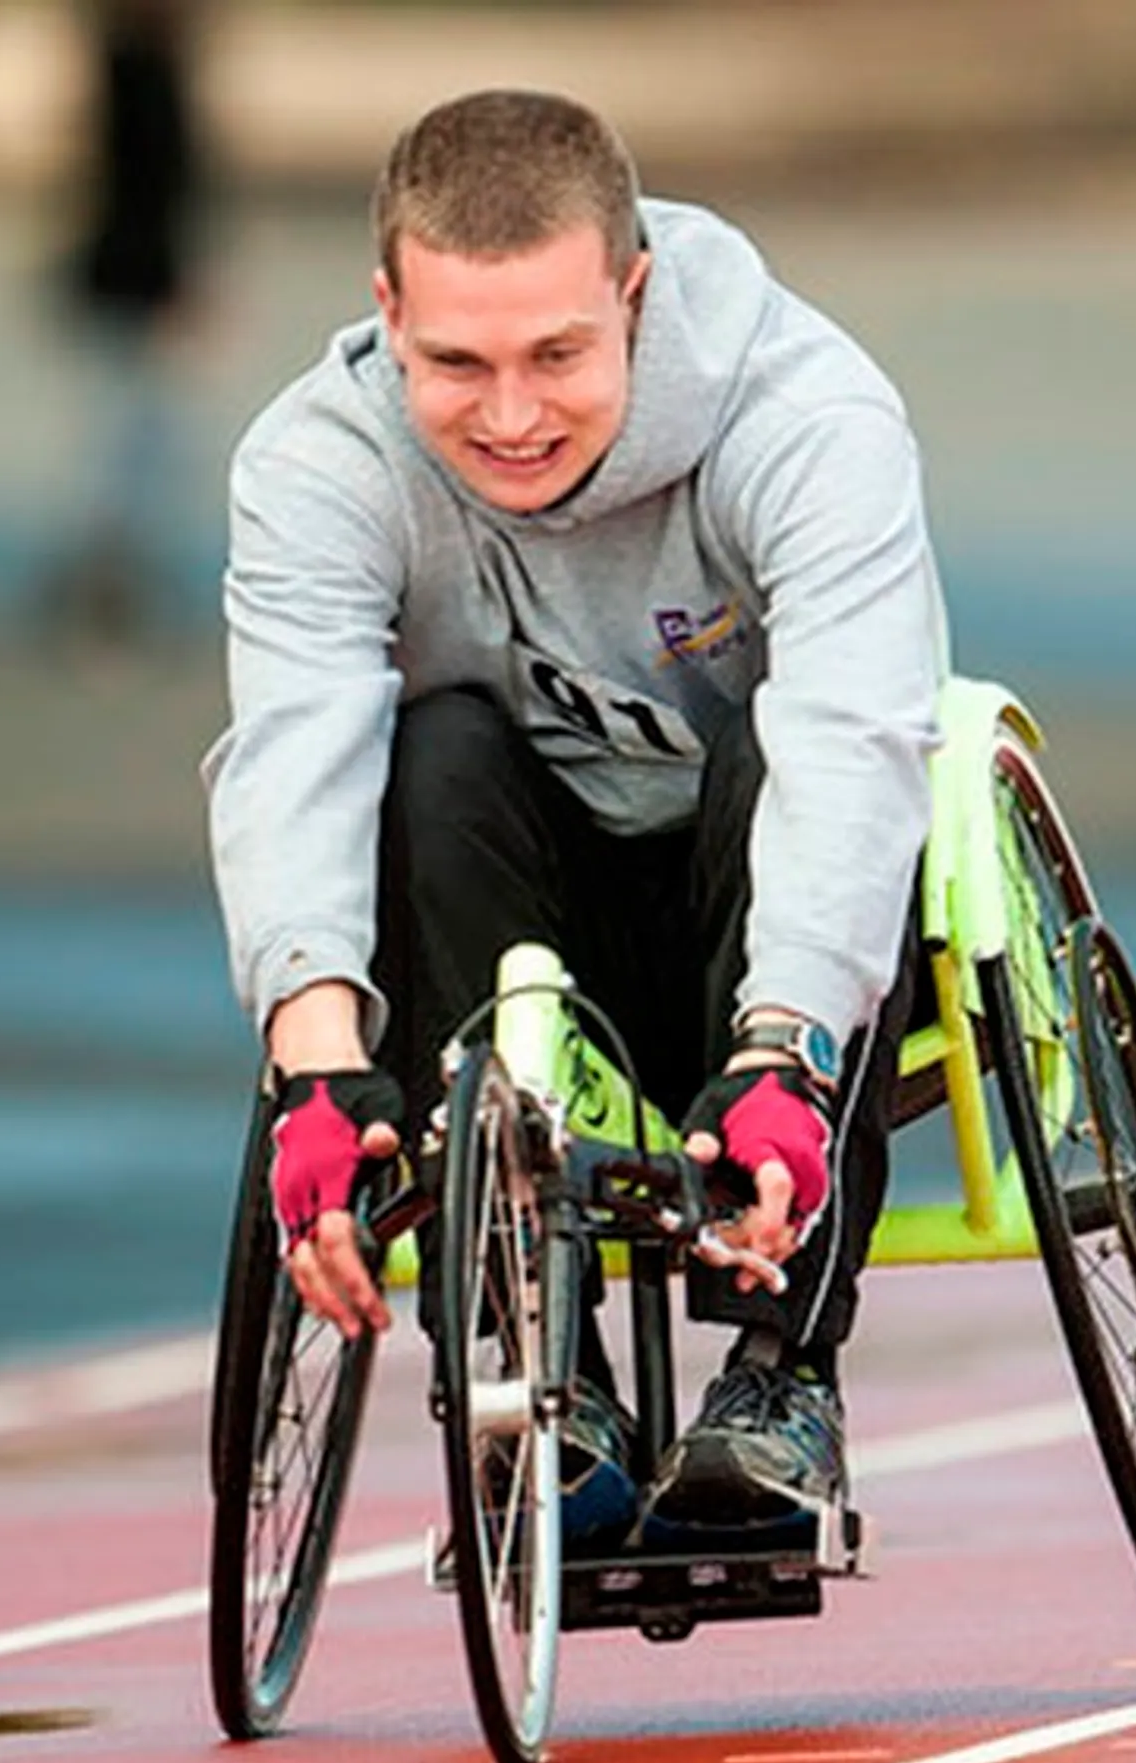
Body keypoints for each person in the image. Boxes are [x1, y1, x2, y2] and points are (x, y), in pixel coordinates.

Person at [204, 90, 944, 1547]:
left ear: (635, 292)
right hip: (521, 935)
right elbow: (293, 752)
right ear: (386, 313)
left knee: (773, 749)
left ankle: (781, 1374)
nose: (512, 415)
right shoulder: (316, 466)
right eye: (455, 364)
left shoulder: (808, 418)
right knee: (437, 753)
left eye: (558, 354)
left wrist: (786, 1045)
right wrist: (312, 1069)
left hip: (778, 914)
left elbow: (858, 742)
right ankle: (543, 1384)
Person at [47, 0, 208, 642]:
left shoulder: (121, 67)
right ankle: (111, 578)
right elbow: (154, 192)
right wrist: (175, 283)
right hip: (137, 278)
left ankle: (109, 574)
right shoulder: (147, 74)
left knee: (124, 435)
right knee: (140, 438)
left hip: (117, 275)